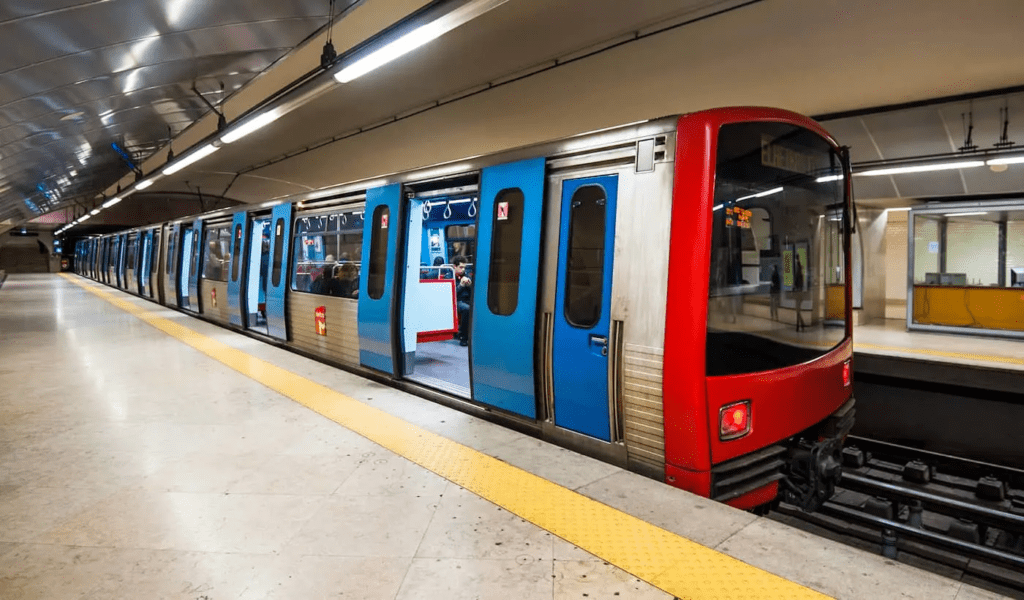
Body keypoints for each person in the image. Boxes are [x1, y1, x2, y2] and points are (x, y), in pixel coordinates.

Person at [456, 274, 472, 346]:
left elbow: (474, 292)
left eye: (464, 268)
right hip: (458, 301)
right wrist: (461, 286)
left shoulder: (467, 277)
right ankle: (463, 337)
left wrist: (470, 286)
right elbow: (452, 293)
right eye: (461, 267)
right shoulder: (449, 276)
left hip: (468, 300)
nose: (463, 270)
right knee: (467, 309)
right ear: (455, 267)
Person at [793, 254, 806, 332]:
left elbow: (796, 284)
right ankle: (799, 325)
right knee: (798, 310)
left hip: (798, 293)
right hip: (800, 293)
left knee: (797, 310)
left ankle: (800, 324)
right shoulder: (801, 272)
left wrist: (795, 287)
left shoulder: (798, 272)